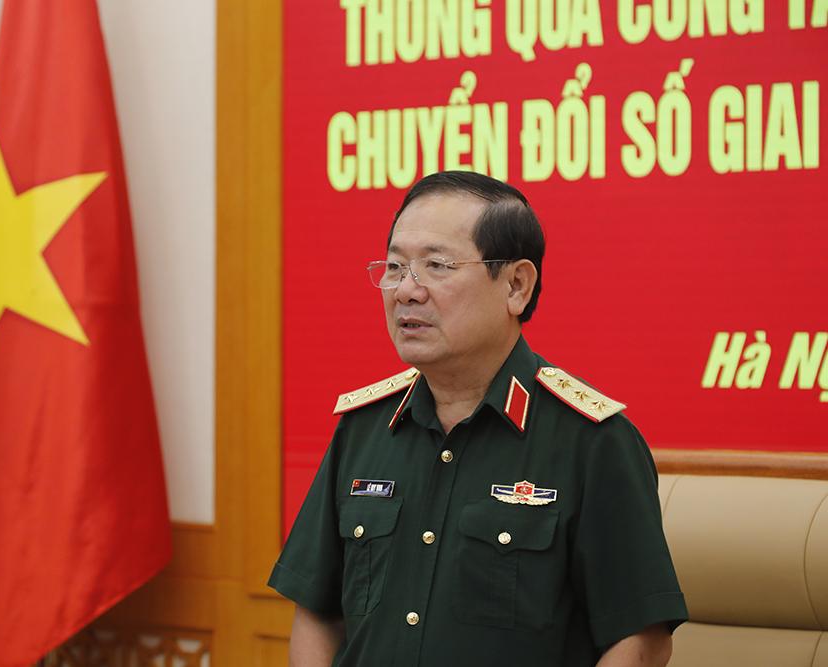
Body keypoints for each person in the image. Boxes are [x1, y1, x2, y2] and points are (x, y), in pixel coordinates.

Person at [268, 171, 687, 666]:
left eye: (437, 266)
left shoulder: (591, 441)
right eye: (396, 267)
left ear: (516, 286)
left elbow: (641, 638)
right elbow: (319, 612)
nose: (406, 291)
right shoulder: (363, 429)